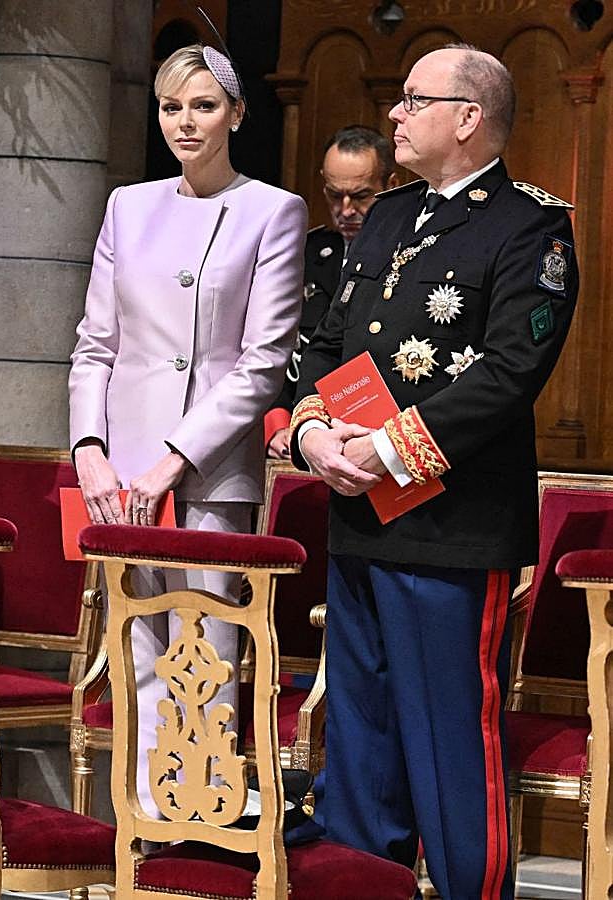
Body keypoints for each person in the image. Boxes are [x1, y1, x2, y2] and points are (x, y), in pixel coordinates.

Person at [290, 44, 578, 899]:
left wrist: (384, 448)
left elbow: (508, 373)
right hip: (361, 511)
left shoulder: (531, 224)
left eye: (415, 101)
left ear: (468, 117)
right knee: (364, 732)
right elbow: (329, 343)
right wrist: (312, 431)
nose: (395, 115)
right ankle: (362, 884)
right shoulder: (385, 216)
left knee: (448, 737)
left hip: (451, 525)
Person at [69, 43, 307, 813]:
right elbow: (94, 347)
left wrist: (173, 459)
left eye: (203, 106)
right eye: (172, 107)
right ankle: (140, 828)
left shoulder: (273, 209)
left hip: (205, 473)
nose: (185, 122)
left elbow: (263, 363)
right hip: (120, 477)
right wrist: (90, 452)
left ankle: (198, 830)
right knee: (136, 653)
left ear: (236, 113)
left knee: (201, 655)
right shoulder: (127, 207)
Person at [265, 125, 394, 458]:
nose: (346, 209)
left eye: (361, 195)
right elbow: (272, 344)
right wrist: (279, 422)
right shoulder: (304, 255)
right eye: (335, 195)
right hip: (302, 434)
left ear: (390, 186)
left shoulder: (408, 256)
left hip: (377, 438)